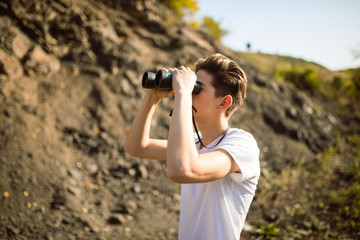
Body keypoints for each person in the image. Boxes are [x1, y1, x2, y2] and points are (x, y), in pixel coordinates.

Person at [125, 53, 260, 239]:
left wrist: (182, 93)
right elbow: (137, 147)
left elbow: (182, 170)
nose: (190, 92)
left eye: (197, 88)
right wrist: (152, 98)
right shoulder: (195, 143)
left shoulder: (242, 144)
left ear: (223, 102)